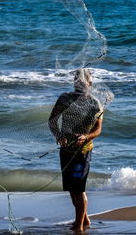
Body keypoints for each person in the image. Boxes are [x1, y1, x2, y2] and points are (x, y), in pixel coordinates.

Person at [48, 68, 104, 233]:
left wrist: (86, 137)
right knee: (71, 190)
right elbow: (52, 120)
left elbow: (98, 130)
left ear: (90, 84)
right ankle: (85, 220)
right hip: (66, 150)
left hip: (83, 152)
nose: (78, 86)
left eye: (82, 83)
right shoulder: (65, 98)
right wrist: (58, 134)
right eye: (76, 83)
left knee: (79, 189)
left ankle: (78, 225)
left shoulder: (95, 103)